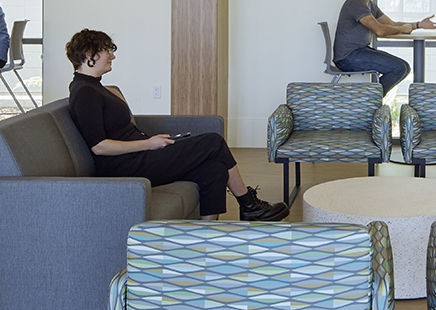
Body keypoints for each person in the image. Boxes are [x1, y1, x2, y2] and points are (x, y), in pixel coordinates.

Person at [66, 29, 288, 221]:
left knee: (214, 169)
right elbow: (99, 146)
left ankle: (206, 235)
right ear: (89, 55)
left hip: (138, 156)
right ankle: (248, 204)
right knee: (213, 141)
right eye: (107, 50)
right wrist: (149, 144)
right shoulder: (84, 92)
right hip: (125, 166)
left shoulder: (96, 88)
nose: (112, 56)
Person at [333, 0, 436, 93]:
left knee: (404, 67)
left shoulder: (369, 4)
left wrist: (418, 25)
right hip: (348, 57)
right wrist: (402, 29)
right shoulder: (356, 2)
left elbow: (391, 24)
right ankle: (370, 99)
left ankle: (370, 98)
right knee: (399, 68)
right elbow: (380, 30)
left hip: (359, 52)